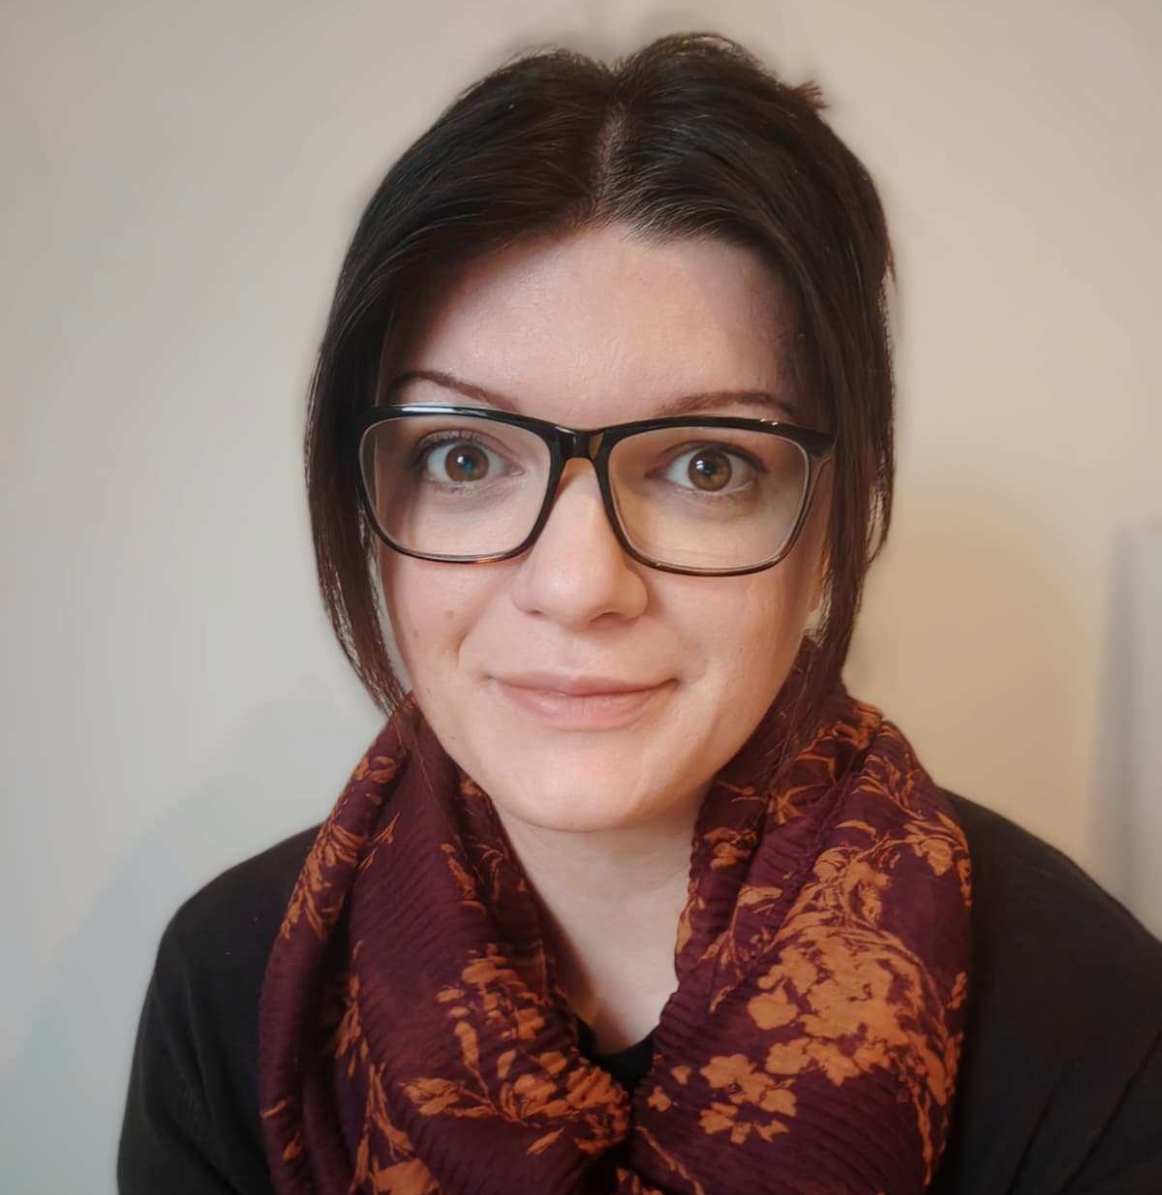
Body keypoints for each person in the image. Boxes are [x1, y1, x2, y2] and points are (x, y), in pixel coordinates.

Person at [118, 31, 1162, 1195]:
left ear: (832, 514)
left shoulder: (1083, 1015)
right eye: (465, 457)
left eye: (707, 465)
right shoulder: (238, 986)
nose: (576, 585)